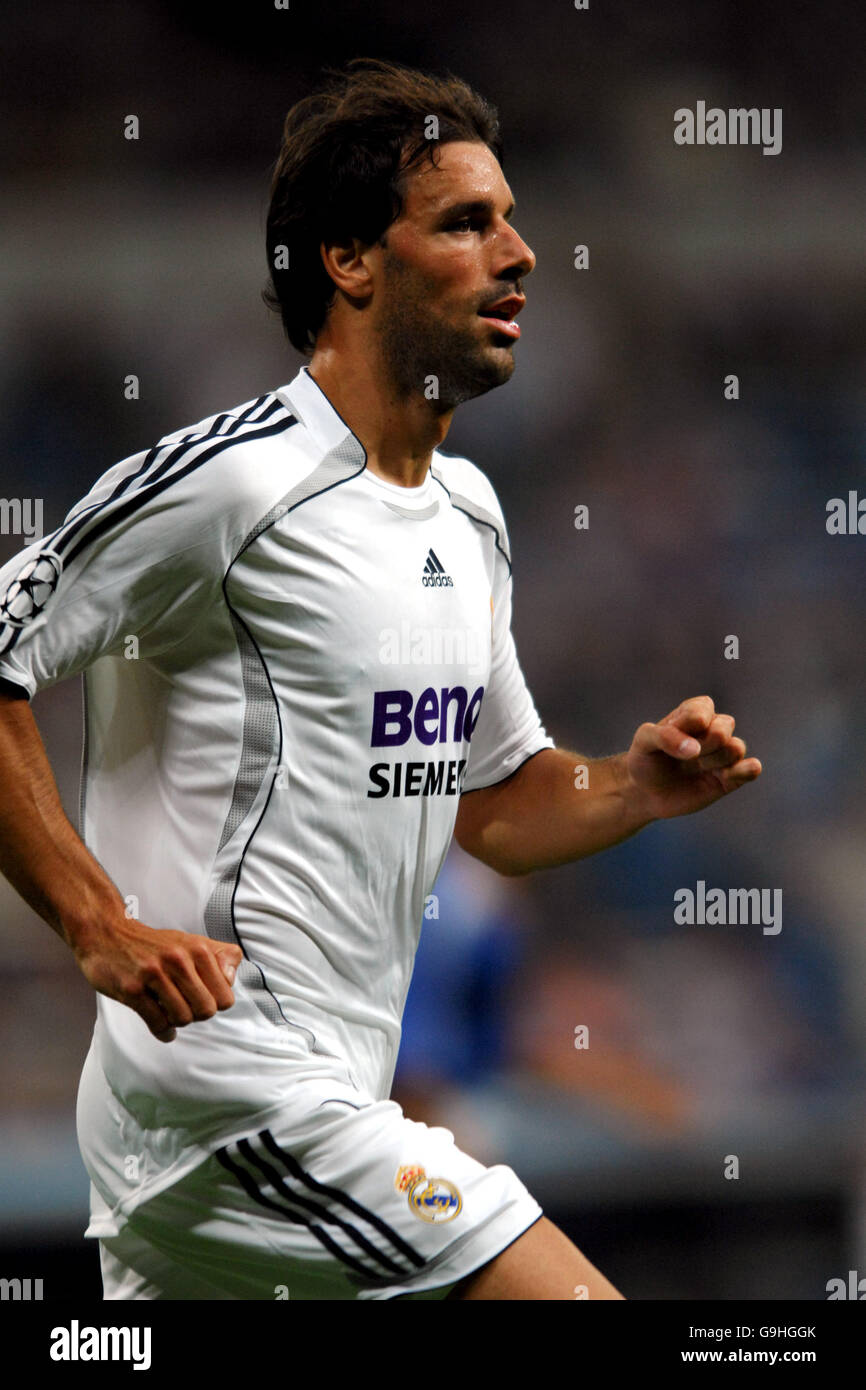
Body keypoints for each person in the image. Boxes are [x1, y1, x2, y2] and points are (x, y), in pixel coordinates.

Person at [0, 57, 761, 1300]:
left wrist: (625, 784)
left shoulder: (468, 515)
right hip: (229, 1099)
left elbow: (497, 804)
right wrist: (97, 919)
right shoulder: (231, 482)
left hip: (302, 1115)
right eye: (467, 223)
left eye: (512, 219)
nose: (519, 255)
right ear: (350, 261)